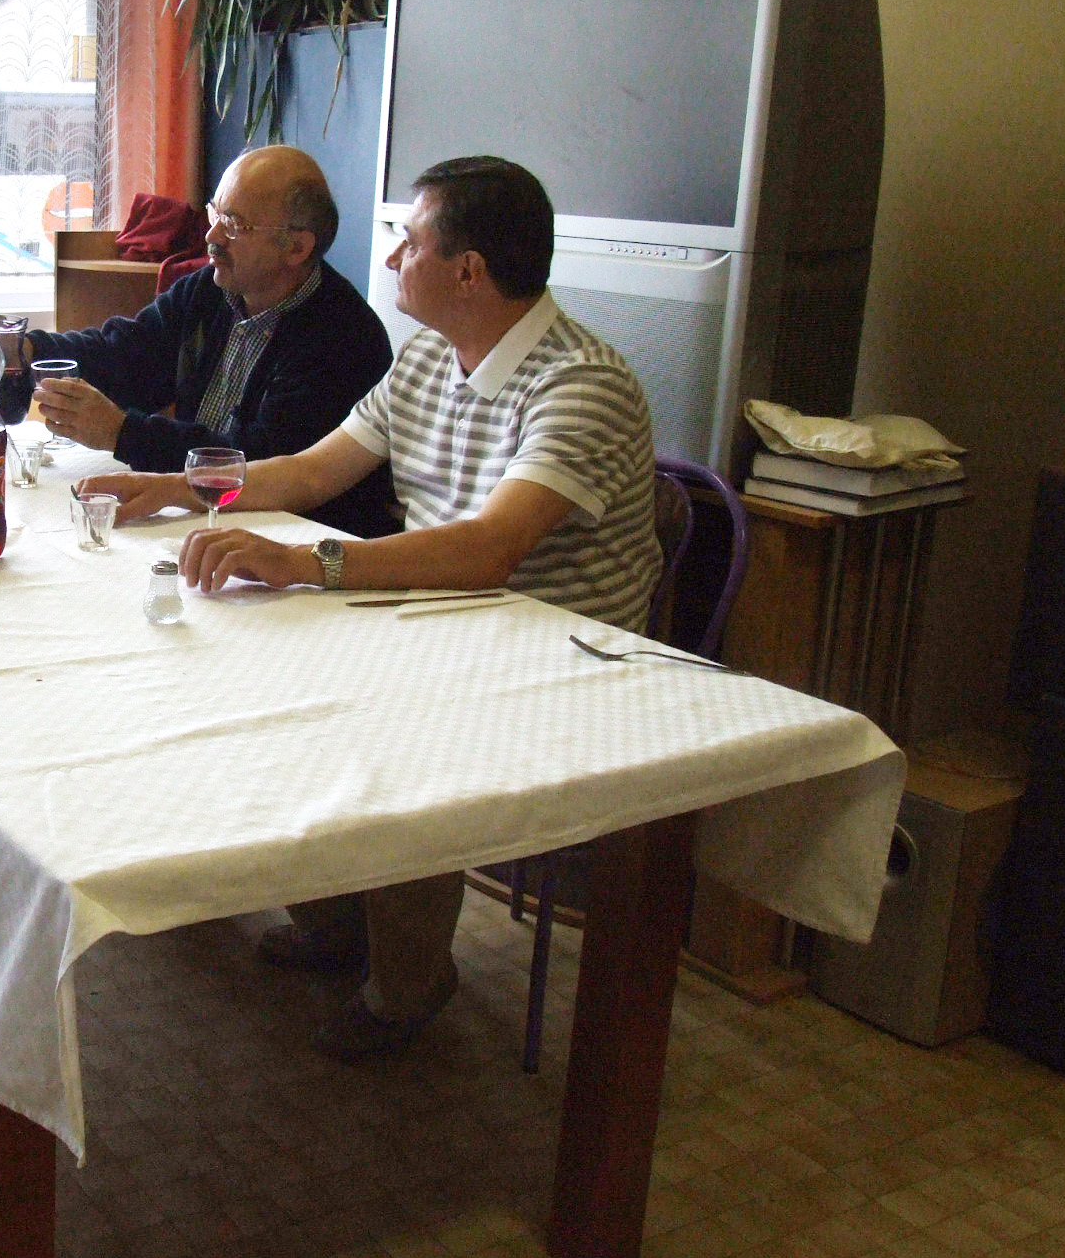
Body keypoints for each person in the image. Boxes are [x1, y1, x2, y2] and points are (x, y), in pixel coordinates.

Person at [82, 156, 662, 1060]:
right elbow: (311, 470)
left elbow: (490, 549)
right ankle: (336, 920)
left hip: (552, 660)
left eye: (410, 242)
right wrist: (169, 487)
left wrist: (304, 563)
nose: (390, 259)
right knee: (253, 669)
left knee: (392, 729)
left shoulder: (582, 384)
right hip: (440, 618)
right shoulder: (429, 356)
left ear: (468, 271)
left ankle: (408, 985)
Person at [18, 145, 397, 538]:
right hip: (207, 518)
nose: (211, 235)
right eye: (216, 214)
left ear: (297, 247)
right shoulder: (209, 290)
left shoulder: (344, 338)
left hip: (300, 538)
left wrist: (122, 433)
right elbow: (127, 354)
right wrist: (27, 350)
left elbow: (256, 466)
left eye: (234, 224)